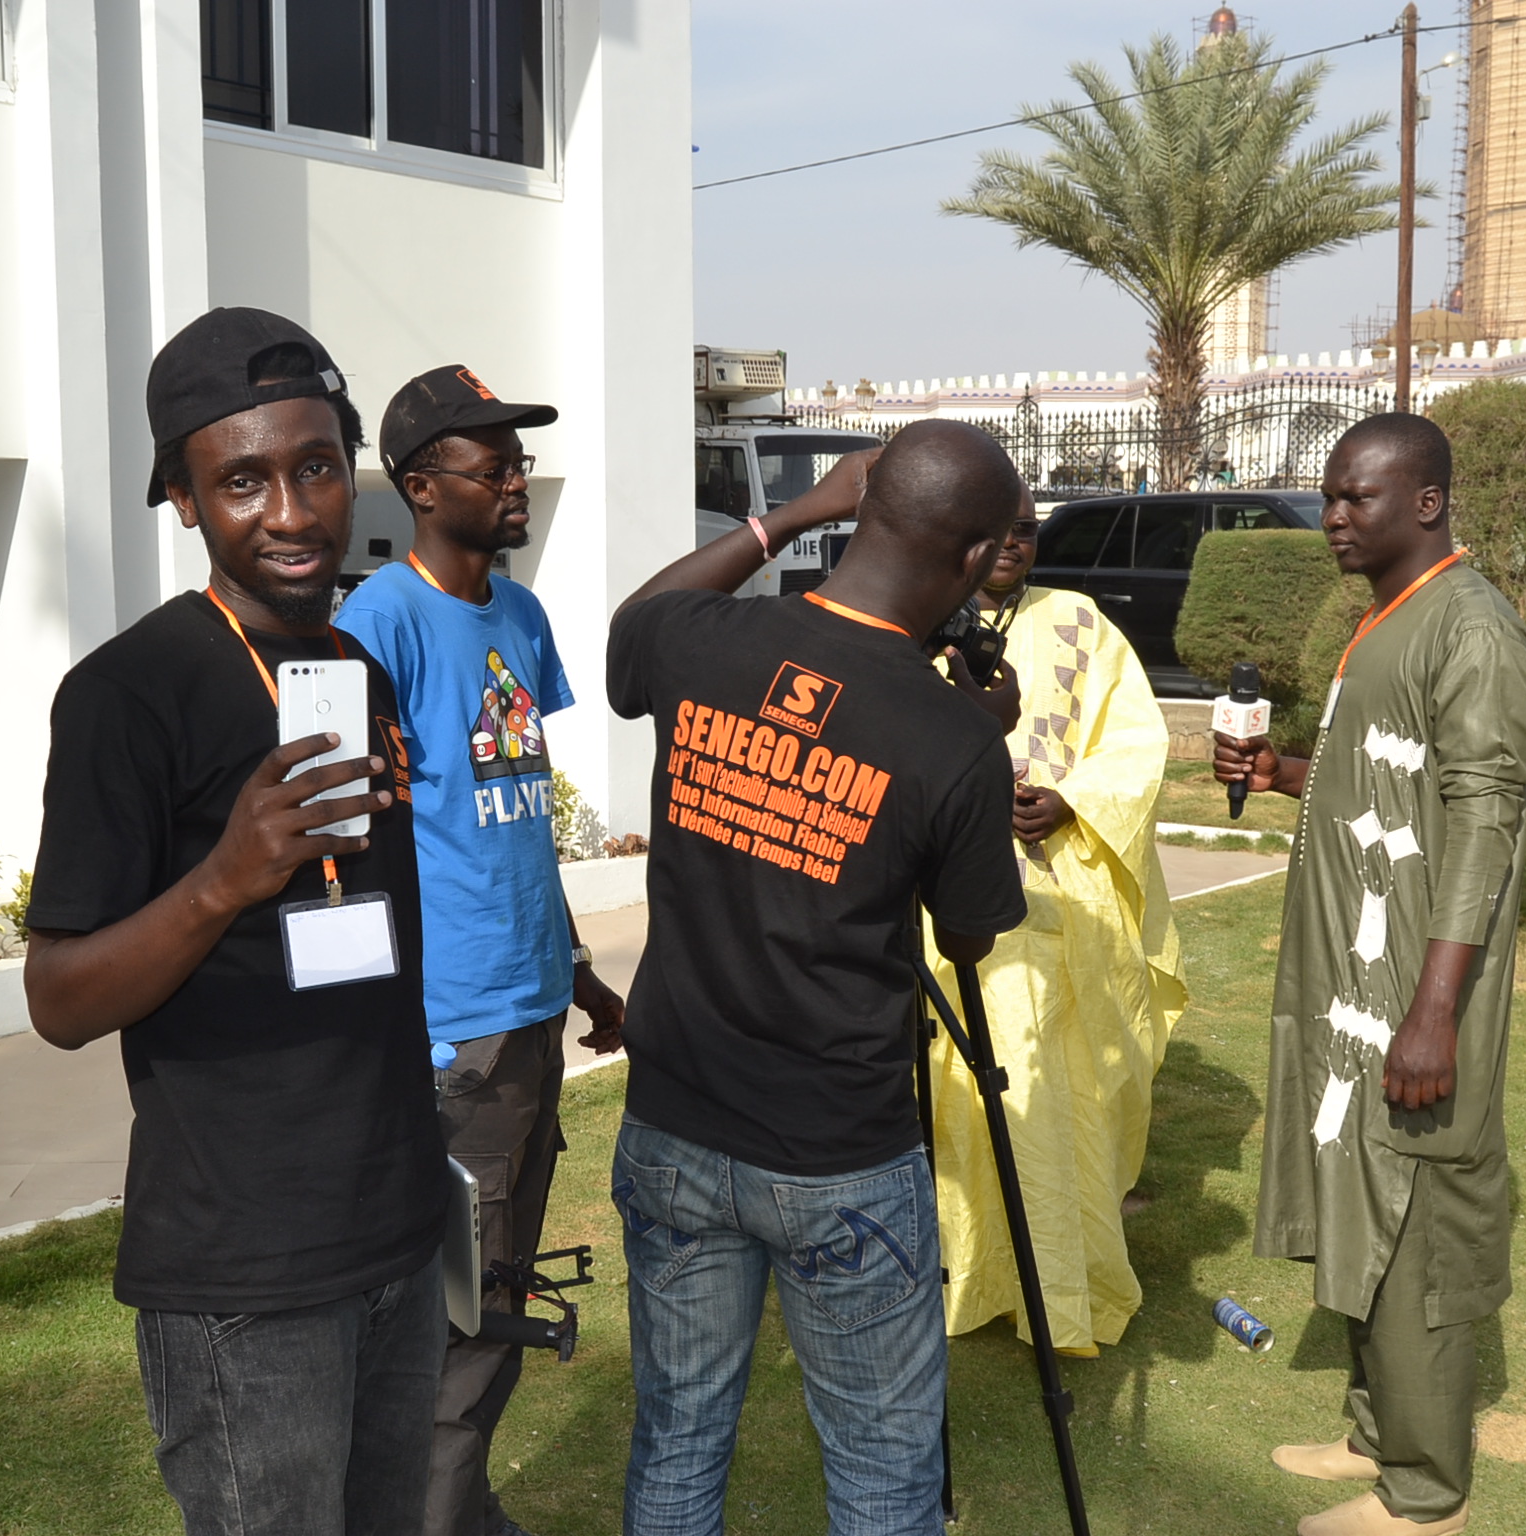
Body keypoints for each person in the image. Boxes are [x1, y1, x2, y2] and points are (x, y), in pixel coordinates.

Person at [23, 307, 449, 1534]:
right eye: (245, 480)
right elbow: (58, 1002)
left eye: (317, 467)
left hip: (395, 1224)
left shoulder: (354, 675)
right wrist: (226, 878)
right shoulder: (124, 696)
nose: (294, 512)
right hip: (247, 1273)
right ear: (184, 500)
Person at [606, 419, 1029, 1536]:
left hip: (673, 1128)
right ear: (980, 558)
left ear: (862, 507)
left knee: (679, 1439)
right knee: (885, 1470)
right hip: (841, 1154)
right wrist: (979, 743)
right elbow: (973, 936)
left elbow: (628, 633)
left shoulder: (702, 641)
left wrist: (788, 516)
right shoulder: (952, 737)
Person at [1214, 414, 1526, 1536]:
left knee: (1418, 1224)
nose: (1333, 517)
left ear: (1428, 503)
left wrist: (1435, 1013)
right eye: (1330, 496)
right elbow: (1387, 777)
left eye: (1356, 497)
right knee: (1360, 1195)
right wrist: (1283, 766)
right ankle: (1377, 1431)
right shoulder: (1383, 624)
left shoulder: (1473, 628)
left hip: (1414, 991)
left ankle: (1425, 1496)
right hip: (1358, 984)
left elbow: (1486, 822)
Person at [338, 364, 627, 1536]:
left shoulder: (521, 615)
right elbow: (356, 849)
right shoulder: (378, 626)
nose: (517, 478)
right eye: (491, 461)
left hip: (529, 1007)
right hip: (451, 1025)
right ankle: (435, 1517)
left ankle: (456, 1506)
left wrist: (582, 976)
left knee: (495, 1288)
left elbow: (517, 827)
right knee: (461, 1306)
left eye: (519, 458)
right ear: (420, 484)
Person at [923, 487, 1187, 1356]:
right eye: (993, 532)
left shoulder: (1080, 623)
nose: (1011, 546)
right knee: (969, 1086)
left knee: (1075, 1086)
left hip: (1069, 904)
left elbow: (1137, 741)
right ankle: (970, 1273)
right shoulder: (920, 623)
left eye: (1027, 533)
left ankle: (1066, 1281)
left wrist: (1069, 801)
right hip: (957, 909)